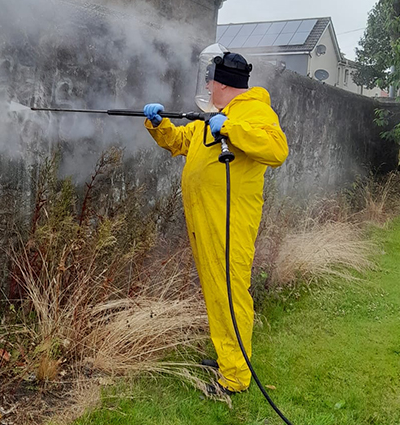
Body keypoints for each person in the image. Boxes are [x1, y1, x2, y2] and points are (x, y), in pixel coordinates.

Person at [143, 51, 288, 394]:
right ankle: (228, 358)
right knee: (215, 291)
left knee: (230, 291)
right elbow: (180, 142)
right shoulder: (214, 115)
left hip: (230, 221)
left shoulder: (255, 111)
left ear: (222, 83)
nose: (206, 86)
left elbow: (276, 150)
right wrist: (158, 123)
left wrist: (232, 129)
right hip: (205, 219)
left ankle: (235, 377)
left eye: (210, 80)